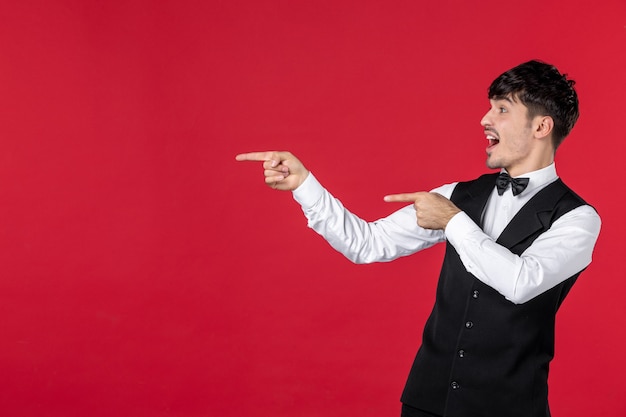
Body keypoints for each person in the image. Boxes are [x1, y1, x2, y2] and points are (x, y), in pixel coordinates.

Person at [235, 60, 601, 417]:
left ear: (541, 127)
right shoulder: (458, 194)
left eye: (502, 110)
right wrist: (304, 185)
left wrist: (453, 221)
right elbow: (368, 243)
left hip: (509, 406)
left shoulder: (578, 219)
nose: (485, 119)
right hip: (427, 401)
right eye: (489, 108)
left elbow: (522, 282)